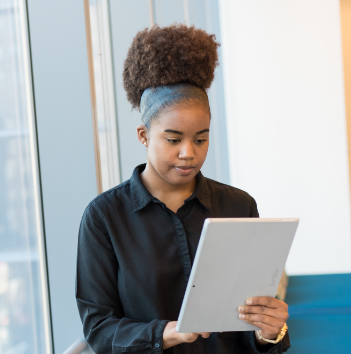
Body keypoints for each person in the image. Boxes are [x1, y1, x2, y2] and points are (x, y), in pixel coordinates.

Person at [76, 24, 290, 354]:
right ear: (143, 136)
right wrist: (166, 333)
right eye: (173, 140)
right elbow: (99, 329)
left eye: (201, 139)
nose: (189, 152)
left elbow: (247, 324)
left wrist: (267, 333)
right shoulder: (104, 217)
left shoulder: (238, 206)